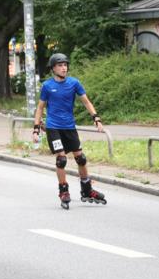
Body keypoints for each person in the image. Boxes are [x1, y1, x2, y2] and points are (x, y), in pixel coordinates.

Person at [32, 52, 107, 209]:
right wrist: (36, 128)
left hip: (69, 127)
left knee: (81, 159)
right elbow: (40, 107)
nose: (64, 68)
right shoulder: (47, 86)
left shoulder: (74, 83)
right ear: (53, 68)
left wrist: (96, 118)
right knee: (62, 159)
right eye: (60, 65)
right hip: (53, 127)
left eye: (65, 65)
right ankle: (64, 191)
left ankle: (86, 190)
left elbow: (86, 102)